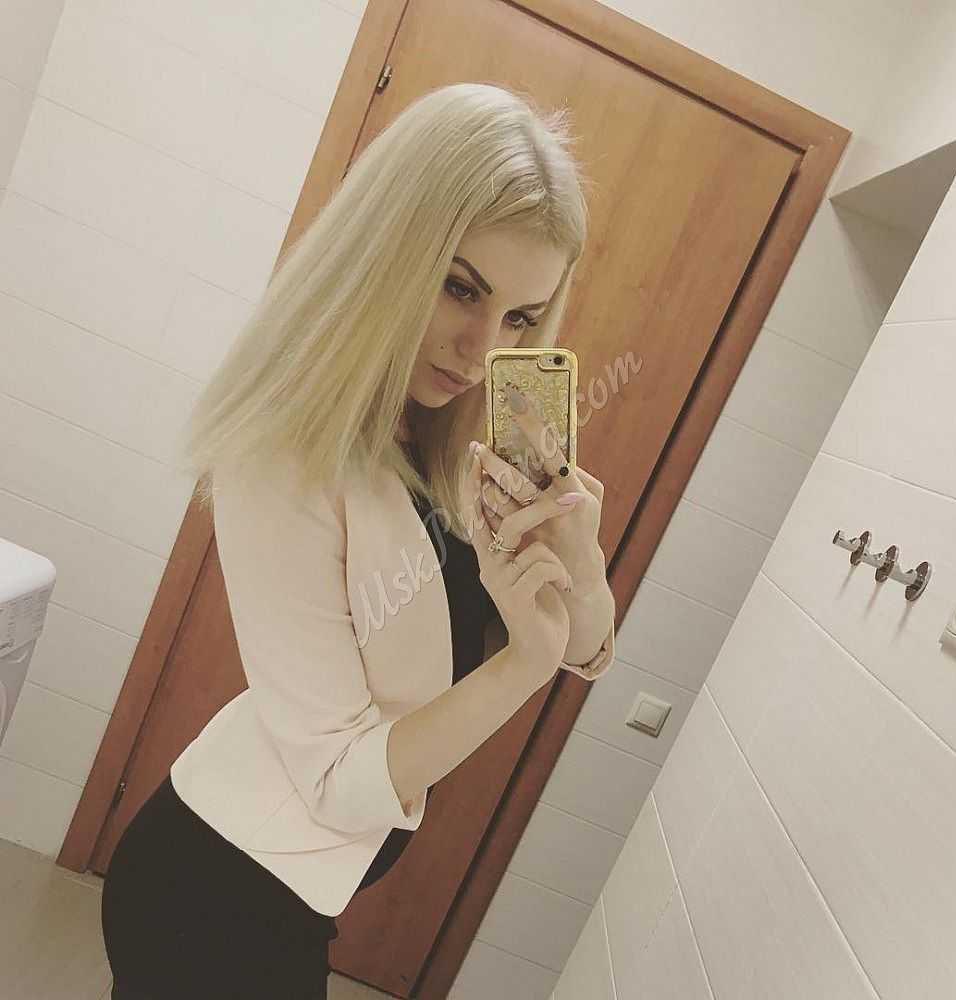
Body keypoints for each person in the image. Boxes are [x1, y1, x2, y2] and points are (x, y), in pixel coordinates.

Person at [100, 81, 616, 999]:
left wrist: (581, 562)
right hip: (214, 891)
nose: (481, 349)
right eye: (459, 287)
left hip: (289, 892)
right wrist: (520, 667)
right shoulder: (284, 455)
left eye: (520, 318)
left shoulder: (453, 442)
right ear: (387, 251)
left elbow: (585, 649)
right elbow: (341, 780)